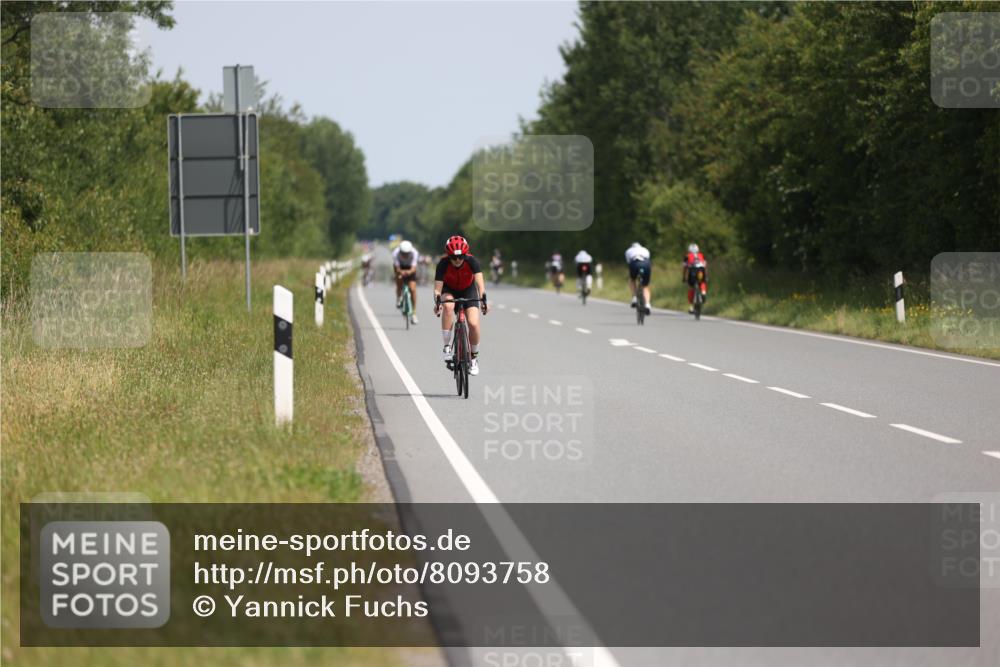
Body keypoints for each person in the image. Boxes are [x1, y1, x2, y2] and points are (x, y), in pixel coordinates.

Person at [433, 235, 488, 376]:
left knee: (473, 323)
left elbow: (480, 284)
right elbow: (438, 289)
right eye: (453, 257)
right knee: (448, 306)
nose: (457, 260)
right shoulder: (443, 264)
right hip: (449, 290)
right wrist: (438, 302)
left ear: (465, 254)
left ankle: (474, 358)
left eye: (461, 257)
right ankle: (447, 347)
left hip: (468, 290)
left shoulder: (472, 261)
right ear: (448, 255)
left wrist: (484, 300)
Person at [393, 240, 420, 324]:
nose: (405, 255)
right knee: (399, 282)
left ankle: (414, 313)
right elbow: (397, 267)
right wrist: (401, 272)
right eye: (403, 253)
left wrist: (408, 272)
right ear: (400, 251)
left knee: (412, 289)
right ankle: (399, 298)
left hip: (410, 268)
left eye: (407, 253)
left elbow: (414, 268)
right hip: (400, 267)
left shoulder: (414, 253)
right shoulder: (395, 253)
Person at [625, 242, 652, 314]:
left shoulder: (628, 251)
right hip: (646, 264)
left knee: (632, 279)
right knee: (645, 286)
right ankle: (647, 304)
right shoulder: (645, 249)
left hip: (635, 263)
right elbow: (648, 259)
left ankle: (634, 298)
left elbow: (629, 262)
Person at [682, 243, 708, 314]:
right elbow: (705, 266)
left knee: (691, 287)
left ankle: (691, 307)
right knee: (702, 282)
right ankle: (703, 292)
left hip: (692, 272)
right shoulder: (702, 255)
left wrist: (684, 277)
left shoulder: (687, 256)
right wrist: (706, 276)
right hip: (701, 271)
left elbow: (685, 268)